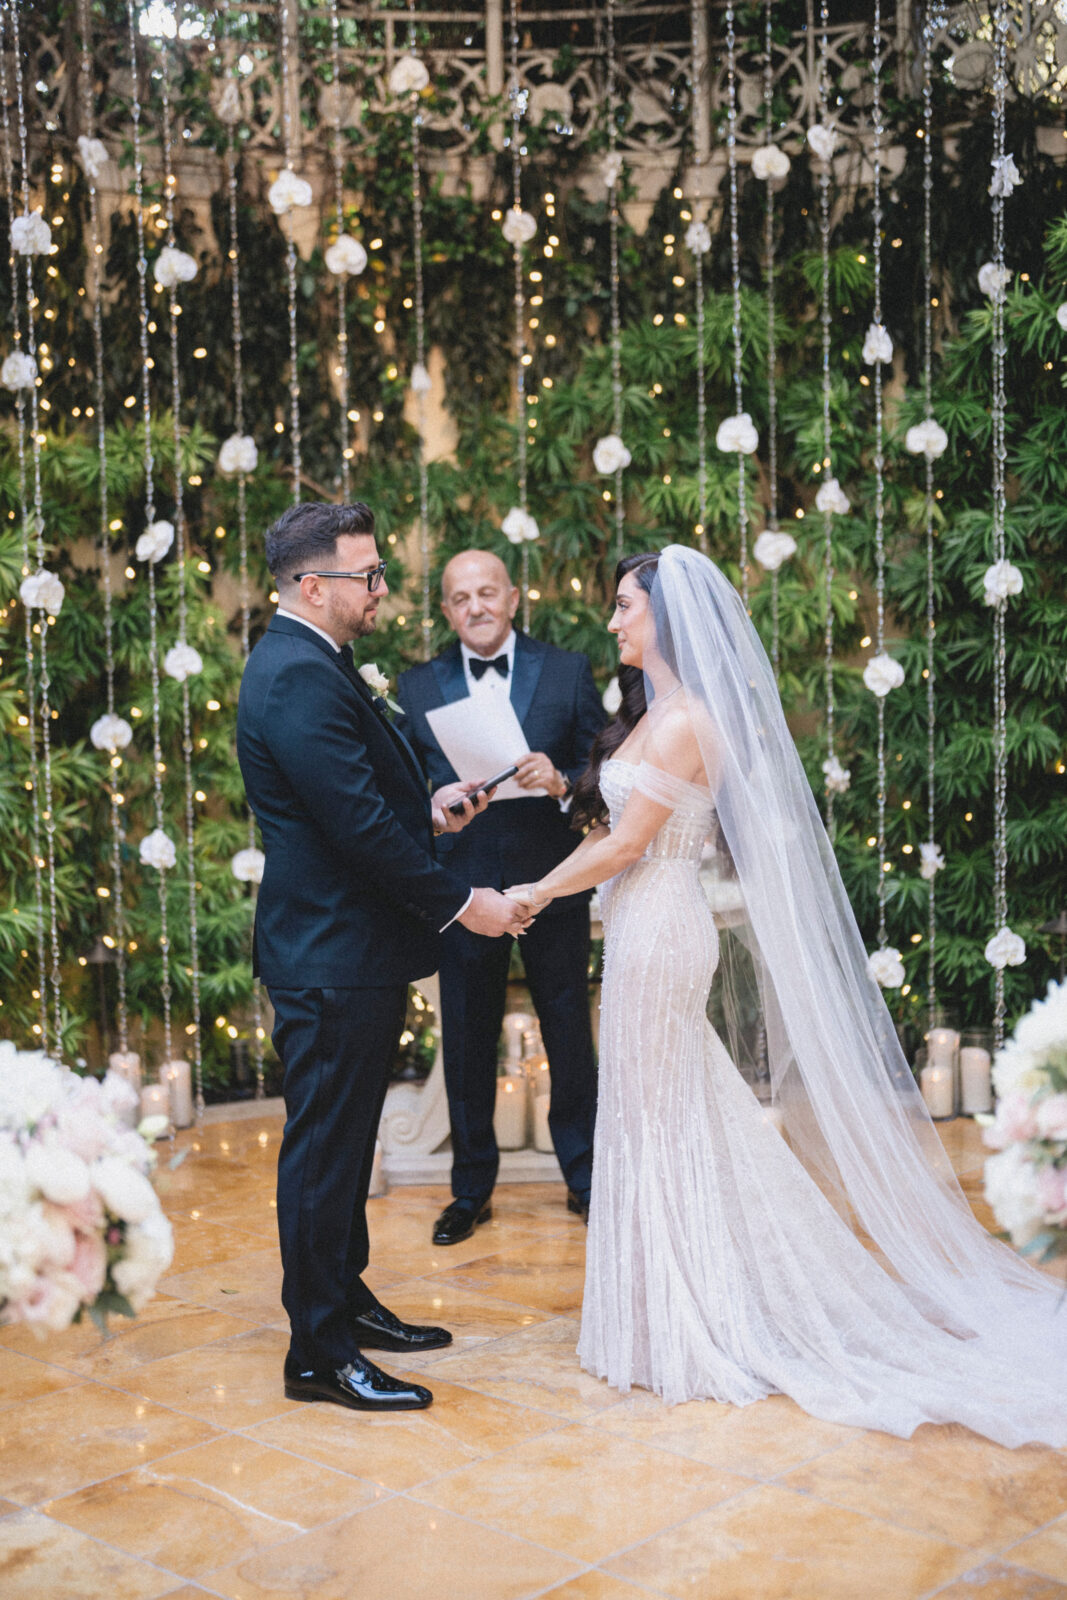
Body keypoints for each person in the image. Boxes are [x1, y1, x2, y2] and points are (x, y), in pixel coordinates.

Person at [505, 545, 1067, 1447]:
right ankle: (656, 1310)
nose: (611, 621)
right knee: (660, 1115)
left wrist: (530, 895)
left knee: (657, 1118)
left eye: (622, 606)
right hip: (642, 930)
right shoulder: (652, 712)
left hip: (660, 931)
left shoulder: (689, 719)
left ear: (666, 618)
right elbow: (610, 828)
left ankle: (685, 1321)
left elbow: (624, 849)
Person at [237, 502, 531, 1414]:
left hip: (348, 951)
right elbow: (355, 829)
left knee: (346, 1146)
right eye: (367, 577)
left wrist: (431, 810)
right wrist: (461, 902)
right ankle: (317, 1353)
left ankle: (345, 1301)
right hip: (327, 957)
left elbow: (359, 801)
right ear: (312, 586)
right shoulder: (292, 674)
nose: (382, 591)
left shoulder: (313, 660)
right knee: (324, 1154)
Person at [397, 550, 605, 1244]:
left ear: (514, 598)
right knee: (465, 1039)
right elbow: (402, 788)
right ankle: (469, 1191)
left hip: (553, 885)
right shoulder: (417, 684)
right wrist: (431, 800)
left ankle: (585, 1178)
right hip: (463, 890)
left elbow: (606, 773)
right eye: (461, 598)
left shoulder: (570, 671)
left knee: (569, 1035)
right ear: (447, 610)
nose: (476, 606)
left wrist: (563, 779)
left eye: (488, 592)